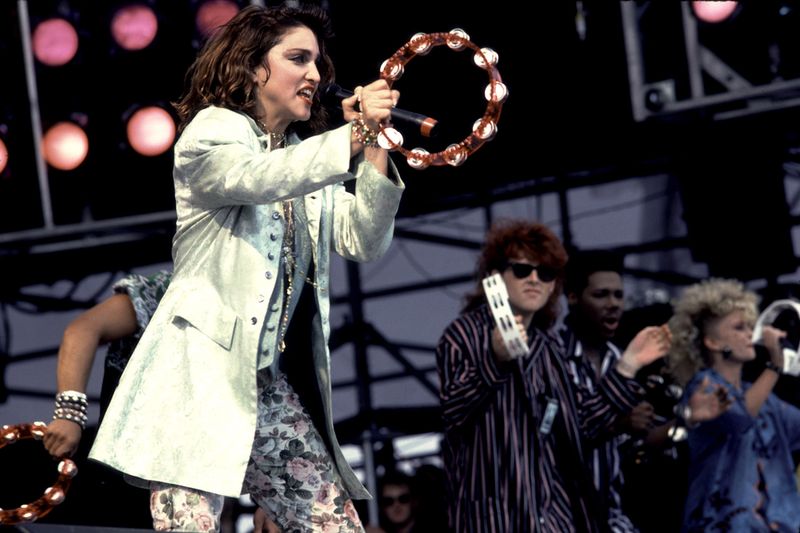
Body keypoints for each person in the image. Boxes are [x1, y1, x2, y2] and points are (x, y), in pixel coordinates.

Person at [89, 4, 404, 533]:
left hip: (265, 387)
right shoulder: (211, 132)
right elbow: (256, 176)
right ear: (254, 66)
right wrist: (350, 138)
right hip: (196, 379)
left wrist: (373, 145)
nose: (315, 74)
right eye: (298, 58)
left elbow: (363, 240)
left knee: (334, 525)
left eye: (318, 62)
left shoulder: (303, 157)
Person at [435, 219, 671, 533]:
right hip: (492, 521)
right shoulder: (463, 334)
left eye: (545, 273)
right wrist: (494, 361)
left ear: (553, 286)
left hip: (551, 520)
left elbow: (581, 424)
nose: (534, 279)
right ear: (495, 277)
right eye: (522, 270)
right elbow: (452, 412)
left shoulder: (548, 347)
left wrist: (628, 364)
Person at [668, 278, 800, 532]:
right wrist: (775, 365)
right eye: (739, 328)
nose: (751, 334)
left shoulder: (765, 398)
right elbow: (739, 418)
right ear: (712, 342)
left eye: (750, 326)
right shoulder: (703, 387)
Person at [560, 250, 649, 532]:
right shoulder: (552, 357)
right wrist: (619, 422)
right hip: (563, 518)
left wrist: (688, 419)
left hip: (610, 516)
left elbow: (633, 444)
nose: (613, 304)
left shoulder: (617, 356)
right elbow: (567, 434)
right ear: (573, 297)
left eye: (619, 295)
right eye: (601, 295)